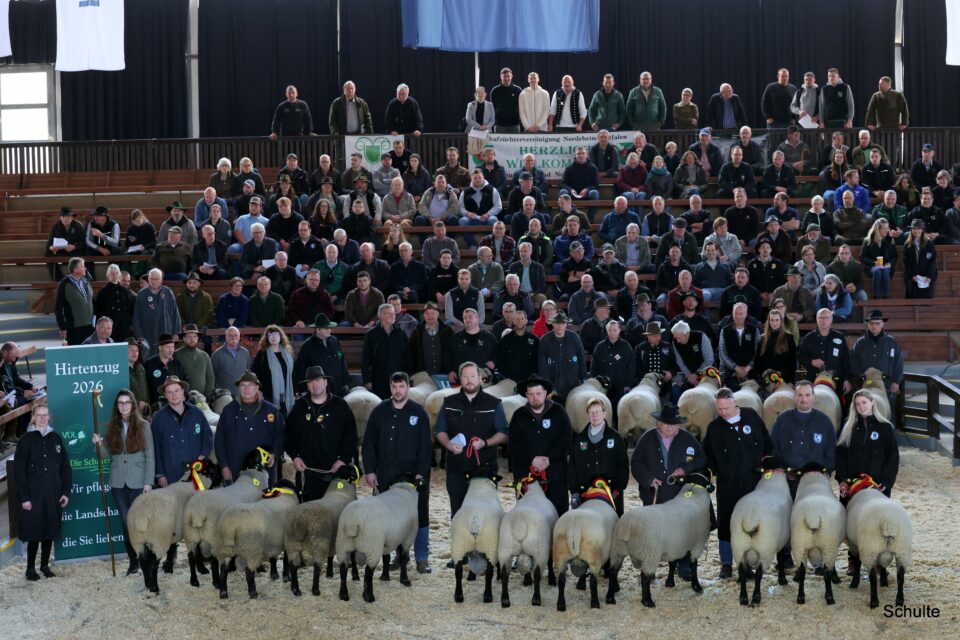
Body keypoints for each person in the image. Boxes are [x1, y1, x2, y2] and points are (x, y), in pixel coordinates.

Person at [362, 372, 432, 573]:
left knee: (420, 515)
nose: (398, 391)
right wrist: (369, 471)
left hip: (413, 476)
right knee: (391, 518)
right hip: (386, 473)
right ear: (390, 387)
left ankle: (421, 559)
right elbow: (368, 444)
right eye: (394, 387)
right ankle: (400, 557)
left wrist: (422, 473)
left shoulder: (418, 412)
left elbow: (425, 446)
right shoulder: (379, 411)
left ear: (408, 388)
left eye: (401, 387)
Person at [703, 388, 771, 578]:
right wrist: (706, 476)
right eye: (719, 408)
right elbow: (708, 456)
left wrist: (769, 462)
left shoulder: (751, 417)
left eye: (726, 408)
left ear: (735, 403)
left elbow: (766, 441)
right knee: (726, 522)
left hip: (754, 482)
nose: (723, 412)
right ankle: (726, 563)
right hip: (728, 484)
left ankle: (749, 562)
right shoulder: (714, 427)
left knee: (752, 521)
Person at [90, 390, 154, 575]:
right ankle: (133, 562)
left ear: (133, 405)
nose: (124, 406)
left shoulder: (143, 426)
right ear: (117, 406)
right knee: (126, 522)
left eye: (127, 402)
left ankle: (146, 558)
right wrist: (97, 444)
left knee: (140, 522)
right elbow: (105, 455)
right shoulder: (113, 426)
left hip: (139, 481)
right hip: (119, 483)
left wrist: (148, 482)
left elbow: (150, 455)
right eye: (120, 403)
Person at [436, 361, 508, 519]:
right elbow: (440, 430)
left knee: (484, 513)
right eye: (465, 376)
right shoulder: (449, 403)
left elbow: (502, 432)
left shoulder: (494, 403)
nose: (469, 380)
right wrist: (448, 444)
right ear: (460, 379)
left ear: (480, 377)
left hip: (485, 468)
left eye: (473, 376)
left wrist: (486, 443)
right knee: (458, 511)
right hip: (456, 468)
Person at [14, 404, 72, 581]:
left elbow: (65, 469)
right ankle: (30, 569)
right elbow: (19, 472)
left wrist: (65, 492)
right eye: (38, 415)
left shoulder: (56, 438)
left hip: (53, 493)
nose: (42, 418)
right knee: (34, 532)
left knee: (49, 530)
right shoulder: (25, 440)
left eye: (45, 415)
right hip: (34, 495)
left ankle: (45, 566)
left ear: (49, 417)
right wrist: (24, 498)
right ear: (33, 417)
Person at [286, 366, 357, 501]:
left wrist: (342, 459)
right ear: (307, 385)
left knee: (336, 511)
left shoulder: (340, 406)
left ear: (325, 382)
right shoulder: (299, 407)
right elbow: (288, 435)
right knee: (308, 513)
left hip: (335, 471)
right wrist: (295, 457)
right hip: (308, 473)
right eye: (311, 381)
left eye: (318, 380)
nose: (315, 384)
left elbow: (351, 436)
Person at [508, 374, 573, 517]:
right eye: (531, 394)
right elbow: (514, 443)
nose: (534, 397)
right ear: (526, 395)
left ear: (545, 393)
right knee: (528, 514)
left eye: (538, 393)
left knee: (557, 511)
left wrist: (548, 458)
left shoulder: (559, 412)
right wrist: (532, 459)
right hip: (526, 470)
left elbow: (566, 439)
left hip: (555, 470)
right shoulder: (519, 415)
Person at [770, 380, 837, 496]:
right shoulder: (783, 419)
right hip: (787, 480)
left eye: (807, 395)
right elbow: (773, 446)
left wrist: (826, 472)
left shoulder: (824, 421)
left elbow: (831, 451)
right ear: (795, 397)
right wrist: (782, 470)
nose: (804, 399)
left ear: (814, 397)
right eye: (800, 395)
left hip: (815, 481)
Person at [151, 375, 212, 491]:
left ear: (183, 391)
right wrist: (160, 474)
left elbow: (207, 436)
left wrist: (203, 455)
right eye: (169, 392)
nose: (174, 395)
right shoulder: (158, 418)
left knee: (196, 504)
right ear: (165, 395)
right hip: (171, 474)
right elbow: (155, 448)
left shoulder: (197, 413)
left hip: (196, 472)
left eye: (176, 390)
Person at [569, 398, 629, 516]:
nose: (594, 415)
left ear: (604, 414)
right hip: (585, 492)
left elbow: (623, 466)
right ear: (587, 415)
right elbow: (572, 466)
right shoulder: (580, 439)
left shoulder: (615, 438)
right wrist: (574, 491)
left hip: (611, 492)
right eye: (591, 412)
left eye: (597, 412)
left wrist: (617, 489)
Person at [836, 389, 899, 500]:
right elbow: (841, 455)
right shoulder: (848, 427)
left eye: (864, 402)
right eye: (857, 404)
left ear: (872, 402)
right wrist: (842, 479)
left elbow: (893, 456)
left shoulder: (885, 427)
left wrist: (887, 481)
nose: (861, 406)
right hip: (853, 485)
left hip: (877, 486)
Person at [850, 309, 904, 412]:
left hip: (887, 386)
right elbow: (853, 361)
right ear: (868, 324)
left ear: (882, 324)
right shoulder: (860, 343)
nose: (874, 326)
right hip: (865, 386)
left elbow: (899, 364)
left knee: (888, 414)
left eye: (877, 323)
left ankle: (890, 428)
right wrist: (860, 375)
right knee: (865, 414)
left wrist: (896, 382)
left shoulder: (892, 343)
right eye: (871, 323)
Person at [361, 303, 411, 399]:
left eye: (393, 313)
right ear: (380, 316)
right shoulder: (371, 334)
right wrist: (367, 380)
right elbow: (366, 359)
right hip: (378, 381)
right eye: (389, 313)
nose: (393, 315)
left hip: (398, 380)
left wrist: (408, 377)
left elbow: (407, 356)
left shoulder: (400, 332)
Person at [797, 308, 851, 392]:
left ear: (831, 319)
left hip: (835, 381)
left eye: (826, 317)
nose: (823, 320)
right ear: (816, 319)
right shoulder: (808, 338)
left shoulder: (839, 337)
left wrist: (847, 379)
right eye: (820, 317)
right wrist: (811, 361)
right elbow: (800, 357)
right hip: (813, 382)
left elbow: (846, 360)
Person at [132, 268, 181, 358]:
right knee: (149, 359)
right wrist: (139, 335)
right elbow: (136, 317)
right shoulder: (141, 294)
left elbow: (175, 313)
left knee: (166, 358)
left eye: (156, 279)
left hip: (166, 331)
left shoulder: (168, 292)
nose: (154, 281)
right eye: (151, 279)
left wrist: (176, 332)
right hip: (148, 334)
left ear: (161, 280)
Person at [537, 312, 586, 402]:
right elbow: (542, 365)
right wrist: (547, 385)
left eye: (562, 323)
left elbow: (581, 358)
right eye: (556, 323)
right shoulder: (545, 340)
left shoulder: (574, 337)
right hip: (553, 384)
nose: (559, 326)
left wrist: (582, 378)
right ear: (552, 324)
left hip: (572, 383)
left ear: (566, 324)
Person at [590, 320, 635, 415]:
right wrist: (596, 383)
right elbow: (594, 367)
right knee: (604, 412)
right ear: (607, 331)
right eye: (610, 330)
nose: (612, 332)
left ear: (619, 330)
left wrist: (629, 384)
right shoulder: (599, 347)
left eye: (615, 330)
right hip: (604, 388)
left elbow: (631, 367)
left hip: (621, 387)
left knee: (620, 413)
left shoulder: (626, 346)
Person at [250, 326, 295, 418]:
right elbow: (253, 373)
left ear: (280, 337)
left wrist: (295, 392)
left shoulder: (287, 354)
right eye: (270, 335)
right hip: (267, 395)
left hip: (286, 394)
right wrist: (257, 390)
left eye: (276, 334)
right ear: (267, 338)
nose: (273, 337)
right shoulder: (262, 354)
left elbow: (294, 373)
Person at [718, 302, 760, 389]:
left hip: (750, 372)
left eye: (741, 314)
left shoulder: (754, 330)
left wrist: (747, 369)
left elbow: (758, 352)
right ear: (732, 314)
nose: (738, 316)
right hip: (729, 373)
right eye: (736, 313)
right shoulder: (725, 330)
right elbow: (722, 353)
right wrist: (736, 368)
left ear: (746, 314)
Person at [54, 257, 95, 345]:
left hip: (89, 326)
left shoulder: (86, 281)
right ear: (75, 269)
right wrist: (62, 327)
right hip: (74, 328)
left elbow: (91, 301)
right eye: (82, 266)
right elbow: (58, 308)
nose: (85, 268)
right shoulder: (64, 284)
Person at [755, 309, 798, 383]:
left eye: (777, 320)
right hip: (766, 380)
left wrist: (791, 382)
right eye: (772, 320)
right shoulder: (762, 339)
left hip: (784, 380)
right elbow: (758, 361)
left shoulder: (789, 338)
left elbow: (793, 362)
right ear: (769, 321)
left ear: (781, 321)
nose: (774, 323)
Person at [860, 218, 898, 299]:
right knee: (877, 271)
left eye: (887, 228)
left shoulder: (890, 240)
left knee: (884, 271)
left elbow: (894, 256)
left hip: (886, 266)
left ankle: (886, 297)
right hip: (871, 266)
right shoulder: (868, 240)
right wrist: (874, 263)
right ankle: (876, 296)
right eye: (884, 228)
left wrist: (890, 263)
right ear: (878, 229)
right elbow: (863, 257)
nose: (886, 230)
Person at [173, 324, 214, 399]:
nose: (192, 339)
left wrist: (208, 395)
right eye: (189, 336)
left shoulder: (205, 355)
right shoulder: (176, 355)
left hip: (202, 399)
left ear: (198, 338)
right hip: (184, 398)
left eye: (194, 336)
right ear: (184, 338)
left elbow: (210, 378)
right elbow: (174, 378)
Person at [45, 207, 85, 281]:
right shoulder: (55, 227)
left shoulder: (78, 226)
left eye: (68, 216)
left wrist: (74, 247)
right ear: (60, 217)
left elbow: (83, 242)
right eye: (63, 216)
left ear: (72, 217)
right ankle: (58, 279)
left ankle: (78, 278)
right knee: (48, 254)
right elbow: (49, 244)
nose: (65, 219)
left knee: (83, 253)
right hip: (60, 251)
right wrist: (52, 247)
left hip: (74, 251)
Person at [211, 326, 251, 400]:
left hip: (242, 395)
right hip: (224, 397)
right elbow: (213, 376)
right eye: (230, 335)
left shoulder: (245, 353)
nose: (233, 338)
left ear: (239, 337)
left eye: (235, 335)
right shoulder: (217, 354)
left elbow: (248, 373)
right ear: (226, 337)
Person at [903, 217, 937, 298]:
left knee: (926, 296)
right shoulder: (907, 244)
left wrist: (929, 277)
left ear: (922, 230)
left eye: (919, 228)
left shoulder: (929, 244)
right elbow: (906, 262)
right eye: (914, 228)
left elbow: (932, 261)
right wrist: (913, 276)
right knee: (912, 294)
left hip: (926, 275)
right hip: (913, 275)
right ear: (911, 230)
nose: (916, 231)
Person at [490, 67, 523, 133]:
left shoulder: (518, 90)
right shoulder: (495, 90)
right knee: (498, 144)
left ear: (512, 76)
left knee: (515, 143)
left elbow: (521, 107)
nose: (506, 78)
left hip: (514, 125)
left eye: (508, 76)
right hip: (499, 125)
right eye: (504, 76)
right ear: (501, 77)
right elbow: (492, 107)